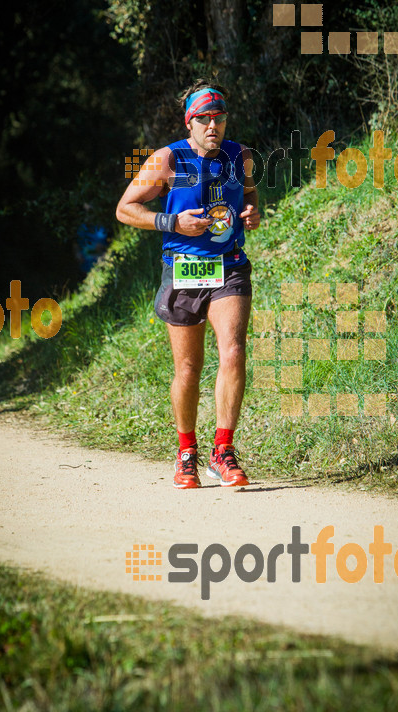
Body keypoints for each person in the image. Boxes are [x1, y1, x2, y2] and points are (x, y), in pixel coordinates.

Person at [116, 79, 260, 489]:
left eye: (219, 118)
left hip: (229, 265)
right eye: (204, 118)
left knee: (232, 350)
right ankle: (186, 452)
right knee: (188, 368)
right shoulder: (168, 159)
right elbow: (125, 209)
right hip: (183, 269)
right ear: (190, 122)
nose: (213, 125)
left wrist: (251, 213)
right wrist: (171, 221)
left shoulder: (240, 156)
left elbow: (249, 196)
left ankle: (223, 450)